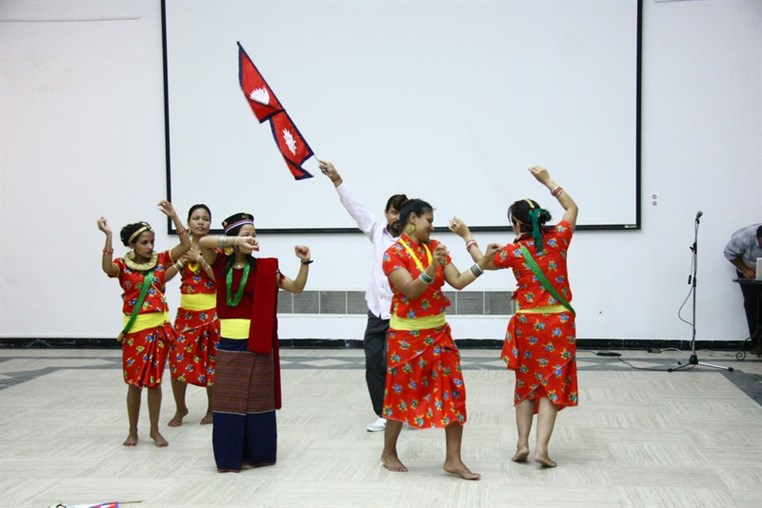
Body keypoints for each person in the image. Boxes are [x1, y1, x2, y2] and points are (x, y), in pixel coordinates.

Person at [450, 165, 578, 468]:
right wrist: (548, 180)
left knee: (527, 385)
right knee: (552, 385)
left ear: (517, 224)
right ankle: (542, 449)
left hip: (528, 324)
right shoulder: (559, 238)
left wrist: (467, 235)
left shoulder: (514, 251)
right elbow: (572, 207)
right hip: (559, 324)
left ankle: (521, 443)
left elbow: (483, 263)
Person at [380, 198, 498, 480]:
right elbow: (409, 291)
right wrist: (432, 268)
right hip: (406, 338)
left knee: (454, 393)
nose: (432, 227)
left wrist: (483, 263)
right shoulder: (392, 254)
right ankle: (388, 452)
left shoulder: (435, 249)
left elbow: (457, 281)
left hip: (439, 334)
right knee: (401, 397)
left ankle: (453, 460)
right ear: (412, 220)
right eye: (428, 221)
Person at [197, 212, 311, 472]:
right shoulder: (219, 264)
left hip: (257, 341)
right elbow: (203, 243)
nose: (252, 238)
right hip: (228, 343)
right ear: (234, 238)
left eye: (254, 234)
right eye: (246, 233)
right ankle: (229, 457)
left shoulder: (265, 268)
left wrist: (305, 263)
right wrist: (230, 242)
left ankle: (257, 455)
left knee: (257, 400)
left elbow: (296, 287)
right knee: (228, 401)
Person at [318, 159, 408, 433]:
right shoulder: (376, 231)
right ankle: (383, 413)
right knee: (374, 363)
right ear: (387, 213)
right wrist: (337, 179)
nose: (396, 219)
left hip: (403, 314)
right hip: (377, 312)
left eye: (402, 214)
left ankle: (405, 411)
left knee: (400, 364)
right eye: (393, 212)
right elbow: (355, 208)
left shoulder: (413, 242)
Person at [97, 200, 191, 447]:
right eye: (144, 242)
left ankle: (154, 429)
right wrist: (107, 236)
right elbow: (107, 269)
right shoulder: (123, 265)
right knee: (134, 384)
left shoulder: (161, 260)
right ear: (132, 245)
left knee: (155, 383)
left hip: (159, 330)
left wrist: (175, 217)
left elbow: (186, 245)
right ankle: (132, 430)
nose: (150, 247)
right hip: (135, 331)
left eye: (152, 242)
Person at [164, 204, 220, 426]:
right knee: (177, 363)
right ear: (188, 223)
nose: (200, 222)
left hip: (210, 316)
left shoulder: (213, 247)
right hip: (186, 316)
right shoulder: (182, 248)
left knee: (210, 364)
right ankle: (181, 408)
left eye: (205, 219)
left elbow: (219, 280)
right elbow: (163, 277)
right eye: (196, 218)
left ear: (210, 224)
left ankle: (212, 409)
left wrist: (200, 260)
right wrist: (181, 262)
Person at [723, 223, 762, 356]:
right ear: (758, 238)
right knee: (752, 304)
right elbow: (728, 253)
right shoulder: (743, 238)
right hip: (748, 269)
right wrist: (745, 270)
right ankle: (757, 343)